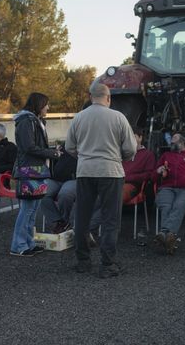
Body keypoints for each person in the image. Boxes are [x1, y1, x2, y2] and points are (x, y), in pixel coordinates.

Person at [65, 83, 137, 278]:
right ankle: (108, 263)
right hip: (110, 172)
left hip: (85, 171)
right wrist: (117, 157)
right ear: (109, 98)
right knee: (110, 219)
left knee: (82, 216)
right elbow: (131, 148)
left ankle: (83, 261)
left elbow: (69, 146)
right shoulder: (118, 117)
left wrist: (84, 157)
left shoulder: (79, 118)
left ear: (90, 96)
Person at [10, 92, 60, 257]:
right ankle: (18, 246)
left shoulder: (34, 121)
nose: (48, 107)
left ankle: (29, 243)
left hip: (36, 170)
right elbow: (29, 147)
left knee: (33, 209)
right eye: (46, 104)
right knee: (27, 209)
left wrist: (50, 152)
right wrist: (51, 153)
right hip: (29, 170)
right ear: (39, 105)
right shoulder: (26, 121)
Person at [122, 127, 156, 203]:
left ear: (140, 138)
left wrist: (129, 178)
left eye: (133, 137)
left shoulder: (148, 155)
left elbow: (148, 174)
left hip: (133, 185)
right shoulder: (122, 153)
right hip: (116, 183)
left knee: (114, 197)